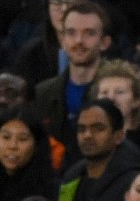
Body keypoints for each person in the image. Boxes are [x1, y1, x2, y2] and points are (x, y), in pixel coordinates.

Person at [35, 1, 113, 165]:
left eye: (89, 33)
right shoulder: (42, 93)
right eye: (71, 33)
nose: (79, 41)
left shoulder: (115, 93)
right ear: (62, 40)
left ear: (104, 42)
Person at [58, 98, 140, 201]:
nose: (87, 135)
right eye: (82, 129)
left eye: (98, 128)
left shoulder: (133, 182)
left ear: (119, 136)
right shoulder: (71, 177)